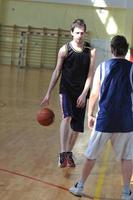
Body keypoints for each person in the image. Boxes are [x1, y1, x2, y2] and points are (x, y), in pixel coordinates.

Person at [69, 35, 133, 200]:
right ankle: (126, 192)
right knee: (127, 157)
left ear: (112, 49)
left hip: (104, 119)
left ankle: (80, 186)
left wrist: (90, 114)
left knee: (91, 154)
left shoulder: (103, 67)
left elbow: (95, 93)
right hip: (126, 121)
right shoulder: (132, 68)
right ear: (126, 51)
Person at [41, 19, 96, 168]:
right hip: (66, 90)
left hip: (82, 92)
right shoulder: (64, 50)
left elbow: (90, 75)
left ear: (85, 33)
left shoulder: (90, 52)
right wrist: (48, 92)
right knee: (67, 117)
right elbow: (57, 71)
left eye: (82, 33)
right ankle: (62, 153)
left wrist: (84, 94)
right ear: (71, 32)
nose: (79, 35)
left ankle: (69, 153)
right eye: (77, 32)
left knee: (77, 127)